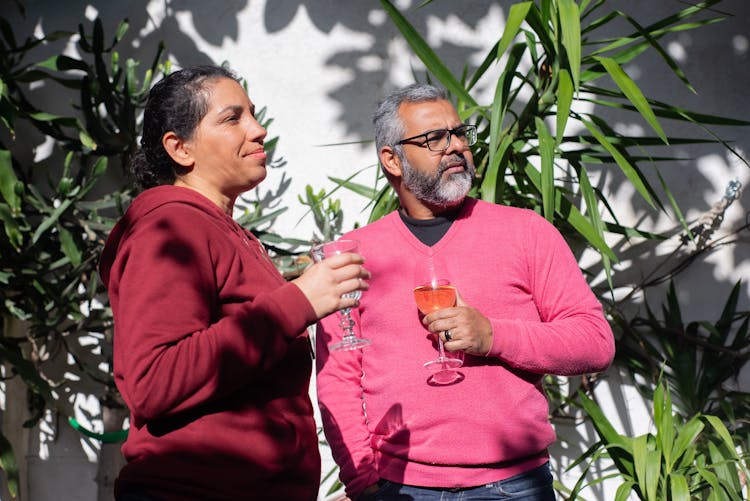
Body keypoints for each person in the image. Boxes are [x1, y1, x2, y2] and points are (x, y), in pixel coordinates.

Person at [315, 83, 615, 500]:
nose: (456, 147)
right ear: (392, 160)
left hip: (516, 486)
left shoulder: (525, 231)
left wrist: (494, 336)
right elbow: (339, 381)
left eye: (459, 133)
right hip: (400, 488)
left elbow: (595, 343)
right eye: (434, 138)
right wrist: (362, 482)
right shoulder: (352, 256)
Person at [99, 65, 370, 500]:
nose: (258, 130)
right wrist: (296, 301)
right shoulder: (169, 227)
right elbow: (153, 381)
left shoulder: (225, 232)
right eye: (232, 118)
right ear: (179, 148)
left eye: (254, 115)